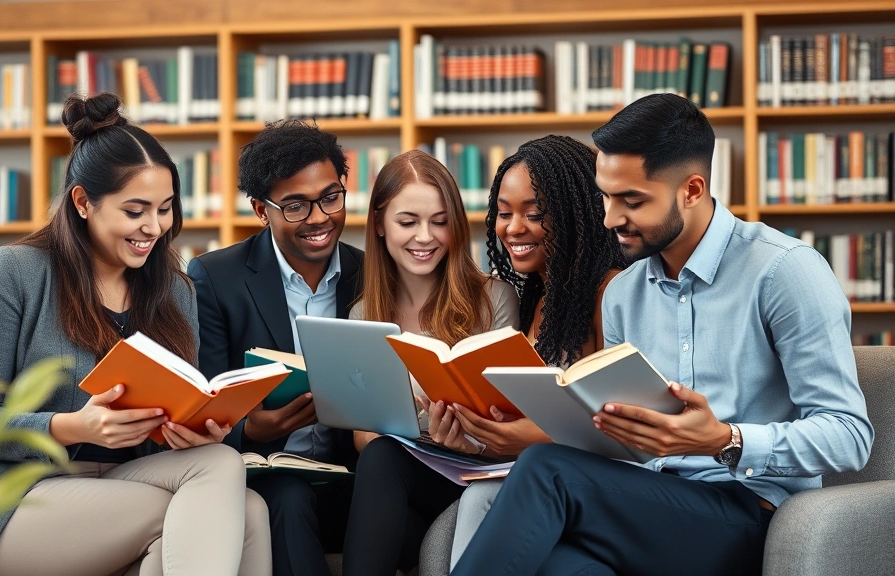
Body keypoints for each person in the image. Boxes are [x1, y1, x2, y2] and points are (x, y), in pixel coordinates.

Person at [451, 93, 874, 576]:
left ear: (692, 190)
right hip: (647, 506)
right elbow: (619, 441)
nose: (610, 218)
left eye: (632, 201)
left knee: (546, 472)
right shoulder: (624, 293)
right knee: (560, 567)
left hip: (748, 514)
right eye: (605, 197)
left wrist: (723, 439)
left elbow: (849, 437)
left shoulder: (784, 272)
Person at [0, 93, 270, 576]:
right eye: (135, 210)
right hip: (16, 498)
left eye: (164, 209)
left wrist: (195, 430)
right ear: (83, 202)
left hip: (120, 479)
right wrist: (73, 426)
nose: (154, 227)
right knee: (202, 516)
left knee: (240, 493)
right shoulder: (14, 272)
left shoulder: (174, 291)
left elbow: (171, 416)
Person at [187, 119, 363, 576]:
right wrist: (253, 430)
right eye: (295, 206)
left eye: (330, 196)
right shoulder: (215, 278)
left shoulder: (373, 273)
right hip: (266, 475)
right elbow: (203, 400)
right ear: (260, 210)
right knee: (287, 496)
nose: (320, 217)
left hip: (355, 471)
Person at [444, 135, 625, 570]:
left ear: (576, 212)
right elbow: (526, 424)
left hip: (590, 484)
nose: (513, 228)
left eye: (535, 213)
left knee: (481, 502)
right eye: (503, 213)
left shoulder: (611, 291)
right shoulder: (535, 295)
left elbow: (617, 424)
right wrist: (470, 434)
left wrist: (527, 438)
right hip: (533, 473)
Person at [341, 150, 519, 576]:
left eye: (440, 221)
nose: (426, 237)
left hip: (477, 477)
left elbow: (513, 421)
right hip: (405, 484)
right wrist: (420, 425)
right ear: (380, 225)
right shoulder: (364, 316)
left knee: (384, 461)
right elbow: (364, 438)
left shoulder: (494, 299)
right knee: (381, 456)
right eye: (408, 222)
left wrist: (467, 437)